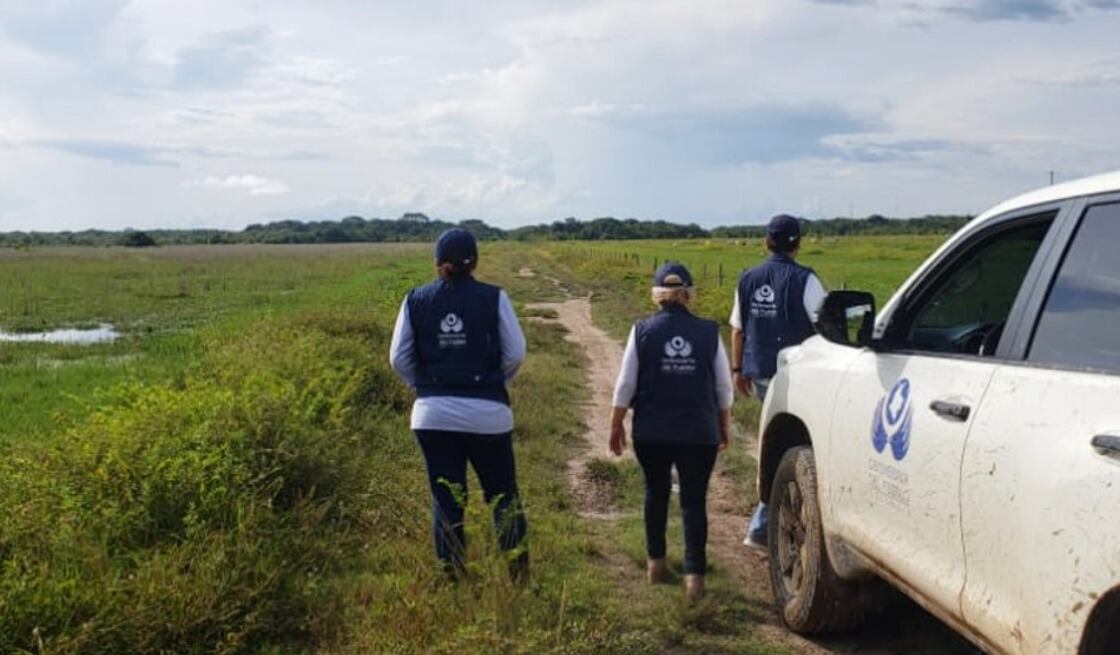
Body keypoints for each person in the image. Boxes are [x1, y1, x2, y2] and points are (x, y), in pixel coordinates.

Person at [389, 227, 529, 581]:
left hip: (431, 415)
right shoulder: (494, 297)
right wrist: (497, 383)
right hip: (489, 416)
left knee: (447, 500)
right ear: (475, 261)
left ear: (438, 264)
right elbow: (515, 352)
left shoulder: (415, 299)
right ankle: (518, 577)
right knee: (503, 497)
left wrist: (421, 387)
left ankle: (453, 580)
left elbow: (398, 358)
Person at [609, 262, 733, 601]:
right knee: (694, 500)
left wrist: (615, 423)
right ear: (689, 294)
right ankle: (695, 578)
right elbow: (723, 386)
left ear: (657, 296)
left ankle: (656, 565)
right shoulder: (709, 332)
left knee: (656, 492)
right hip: (699, 430)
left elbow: (625, 383)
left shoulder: (642, 330)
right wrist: (724, 423)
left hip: (651, 431)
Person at [730, 214, 827, 551]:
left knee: (780, 441)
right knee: (790, 445)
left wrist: (737, 368)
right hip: (796, 376)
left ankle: (771, 520)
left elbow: (738, 328)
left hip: (758, 372)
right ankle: (765, 526)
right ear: (797, 243)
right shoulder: (806, 280)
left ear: (766, 242)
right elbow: (827, 326)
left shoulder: (748, 278)